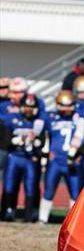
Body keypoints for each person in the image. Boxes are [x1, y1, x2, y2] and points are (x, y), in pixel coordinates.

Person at [38, 91, 84, 224]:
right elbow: (46, 135)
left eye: (70, 105)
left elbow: (80, 136)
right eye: (64, 106)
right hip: (56, 161)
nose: (67, 109)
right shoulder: (51, 116)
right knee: (49, 189)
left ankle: (73, 222)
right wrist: (46, 152)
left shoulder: (78, 116)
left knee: (75, 193)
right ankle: (42, 219)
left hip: (72, 161)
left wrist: (74, 152)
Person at [1, 94, 45, 222]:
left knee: (31, 185)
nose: (28, 110)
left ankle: (29, 215)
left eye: (31, 107)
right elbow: (6, 139)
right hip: (14, 155)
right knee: (9, 184)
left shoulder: (38, 122)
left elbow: (42, 141)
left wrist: (35, 142)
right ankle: (8, 211)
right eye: (26, 106)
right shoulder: (12, 119)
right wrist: (20, 139)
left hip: (30, 158)